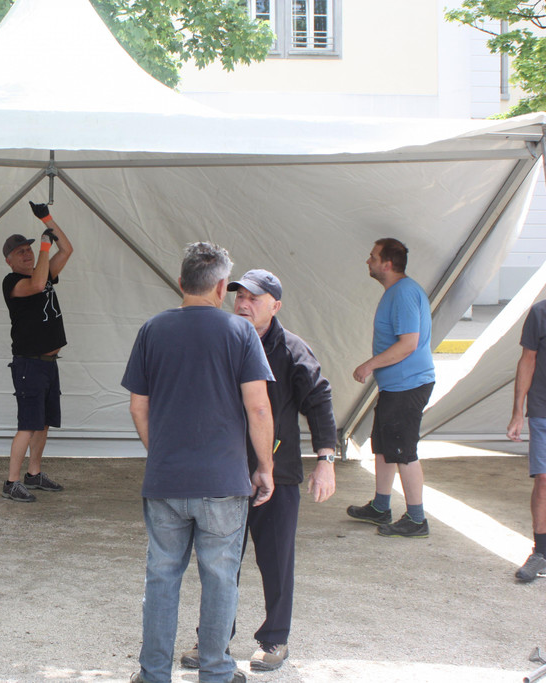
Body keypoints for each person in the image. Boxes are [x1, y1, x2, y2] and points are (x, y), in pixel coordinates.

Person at [122, 242, 275, 683]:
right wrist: (264, 467)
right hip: (223, 481)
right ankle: (216, 671)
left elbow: (138, 407)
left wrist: (161, 452)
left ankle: (154, 673)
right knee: (220, 577)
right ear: (222, 287)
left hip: (166, 480)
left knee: (161, 577)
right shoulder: (240, 332)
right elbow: (258, 407)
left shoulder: (152, 330)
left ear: (181, 282)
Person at [178, 269, 337, 672]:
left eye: (254, 298)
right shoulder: (222, 341)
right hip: (224, 471)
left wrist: (325, 460)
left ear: (275, 306)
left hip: (276, 473)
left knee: (275, 561)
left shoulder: (292, 349)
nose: (244, 304)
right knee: (218, 562)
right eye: (240, 296)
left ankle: (275, 639)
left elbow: (319, 400)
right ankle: (212, 639)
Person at [347, 238, 435, 538]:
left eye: (373, 257)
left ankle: (416, 519)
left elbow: (409, 344)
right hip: (397, 386)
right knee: (384, 447)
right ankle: (380, 506)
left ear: (387, 264)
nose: (368, 261)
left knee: (403, 451)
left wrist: (369, 365)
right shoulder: (398, 292)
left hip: (408, 386)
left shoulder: (404, 293)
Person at [0, 201, 74, 503]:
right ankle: (11, 482)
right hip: (28, 363)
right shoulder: (13, 282)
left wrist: (47, 219)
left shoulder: (41, 271)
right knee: (28, 425)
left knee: (43, 422)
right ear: (9, 261)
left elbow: (67, 250)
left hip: (47, 362)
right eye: (20, 252)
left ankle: (34, 473)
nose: (27, 253)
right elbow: (39, 283)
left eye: (28, 249)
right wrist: (44, 246)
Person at [506, 299, 546, 582]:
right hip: (542, 408)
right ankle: (541, 552)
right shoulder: (540, 312)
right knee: (543, 479)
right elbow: (527, 360)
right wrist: (517, 412)